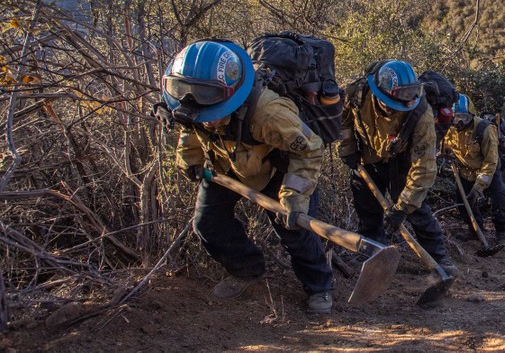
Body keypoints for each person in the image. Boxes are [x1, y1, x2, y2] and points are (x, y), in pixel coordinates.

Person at [161, 39, 334, 312]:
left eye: (208, 105)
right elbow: (190, 127)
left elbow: (310, 149)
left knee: (294, 230)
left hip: (277, 170)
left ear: (229, 93)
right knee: (207, 224)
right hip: (224, 165)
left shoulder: (269, 112)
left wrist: (294, 195)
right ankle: (246, 270)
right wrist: (190, 159)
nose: (205, 117)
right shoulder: (194, 99)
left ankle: (320, 287)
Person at [339, 59, 456, 276]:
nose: (397, 109)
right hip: (367, 157)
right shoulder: (357, 93)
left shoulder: (421, 112)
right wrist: (348, 148)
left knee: (417, 210)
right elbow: (344, 120)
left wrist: (403, 207)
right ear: (379, 93)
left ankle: (439, 260)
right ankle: (374, 256)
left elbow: (424, 167)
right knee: (367, 209)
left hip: (401, 160)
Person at [443, 95, 505, 246]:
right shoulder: (450, 129)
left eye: (463, 117)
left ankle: (501, 233)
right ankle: (474, 231)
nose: (459, 122)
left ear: (471, 116)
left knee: (500, 199)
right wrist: (445, 152)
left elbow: (490, 161)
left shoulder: (485, 129)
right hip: (464, 172)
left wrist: (479, 185)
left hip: (487, 171)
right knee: (463, 203)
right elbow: (446, 145)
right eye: (455, 117)